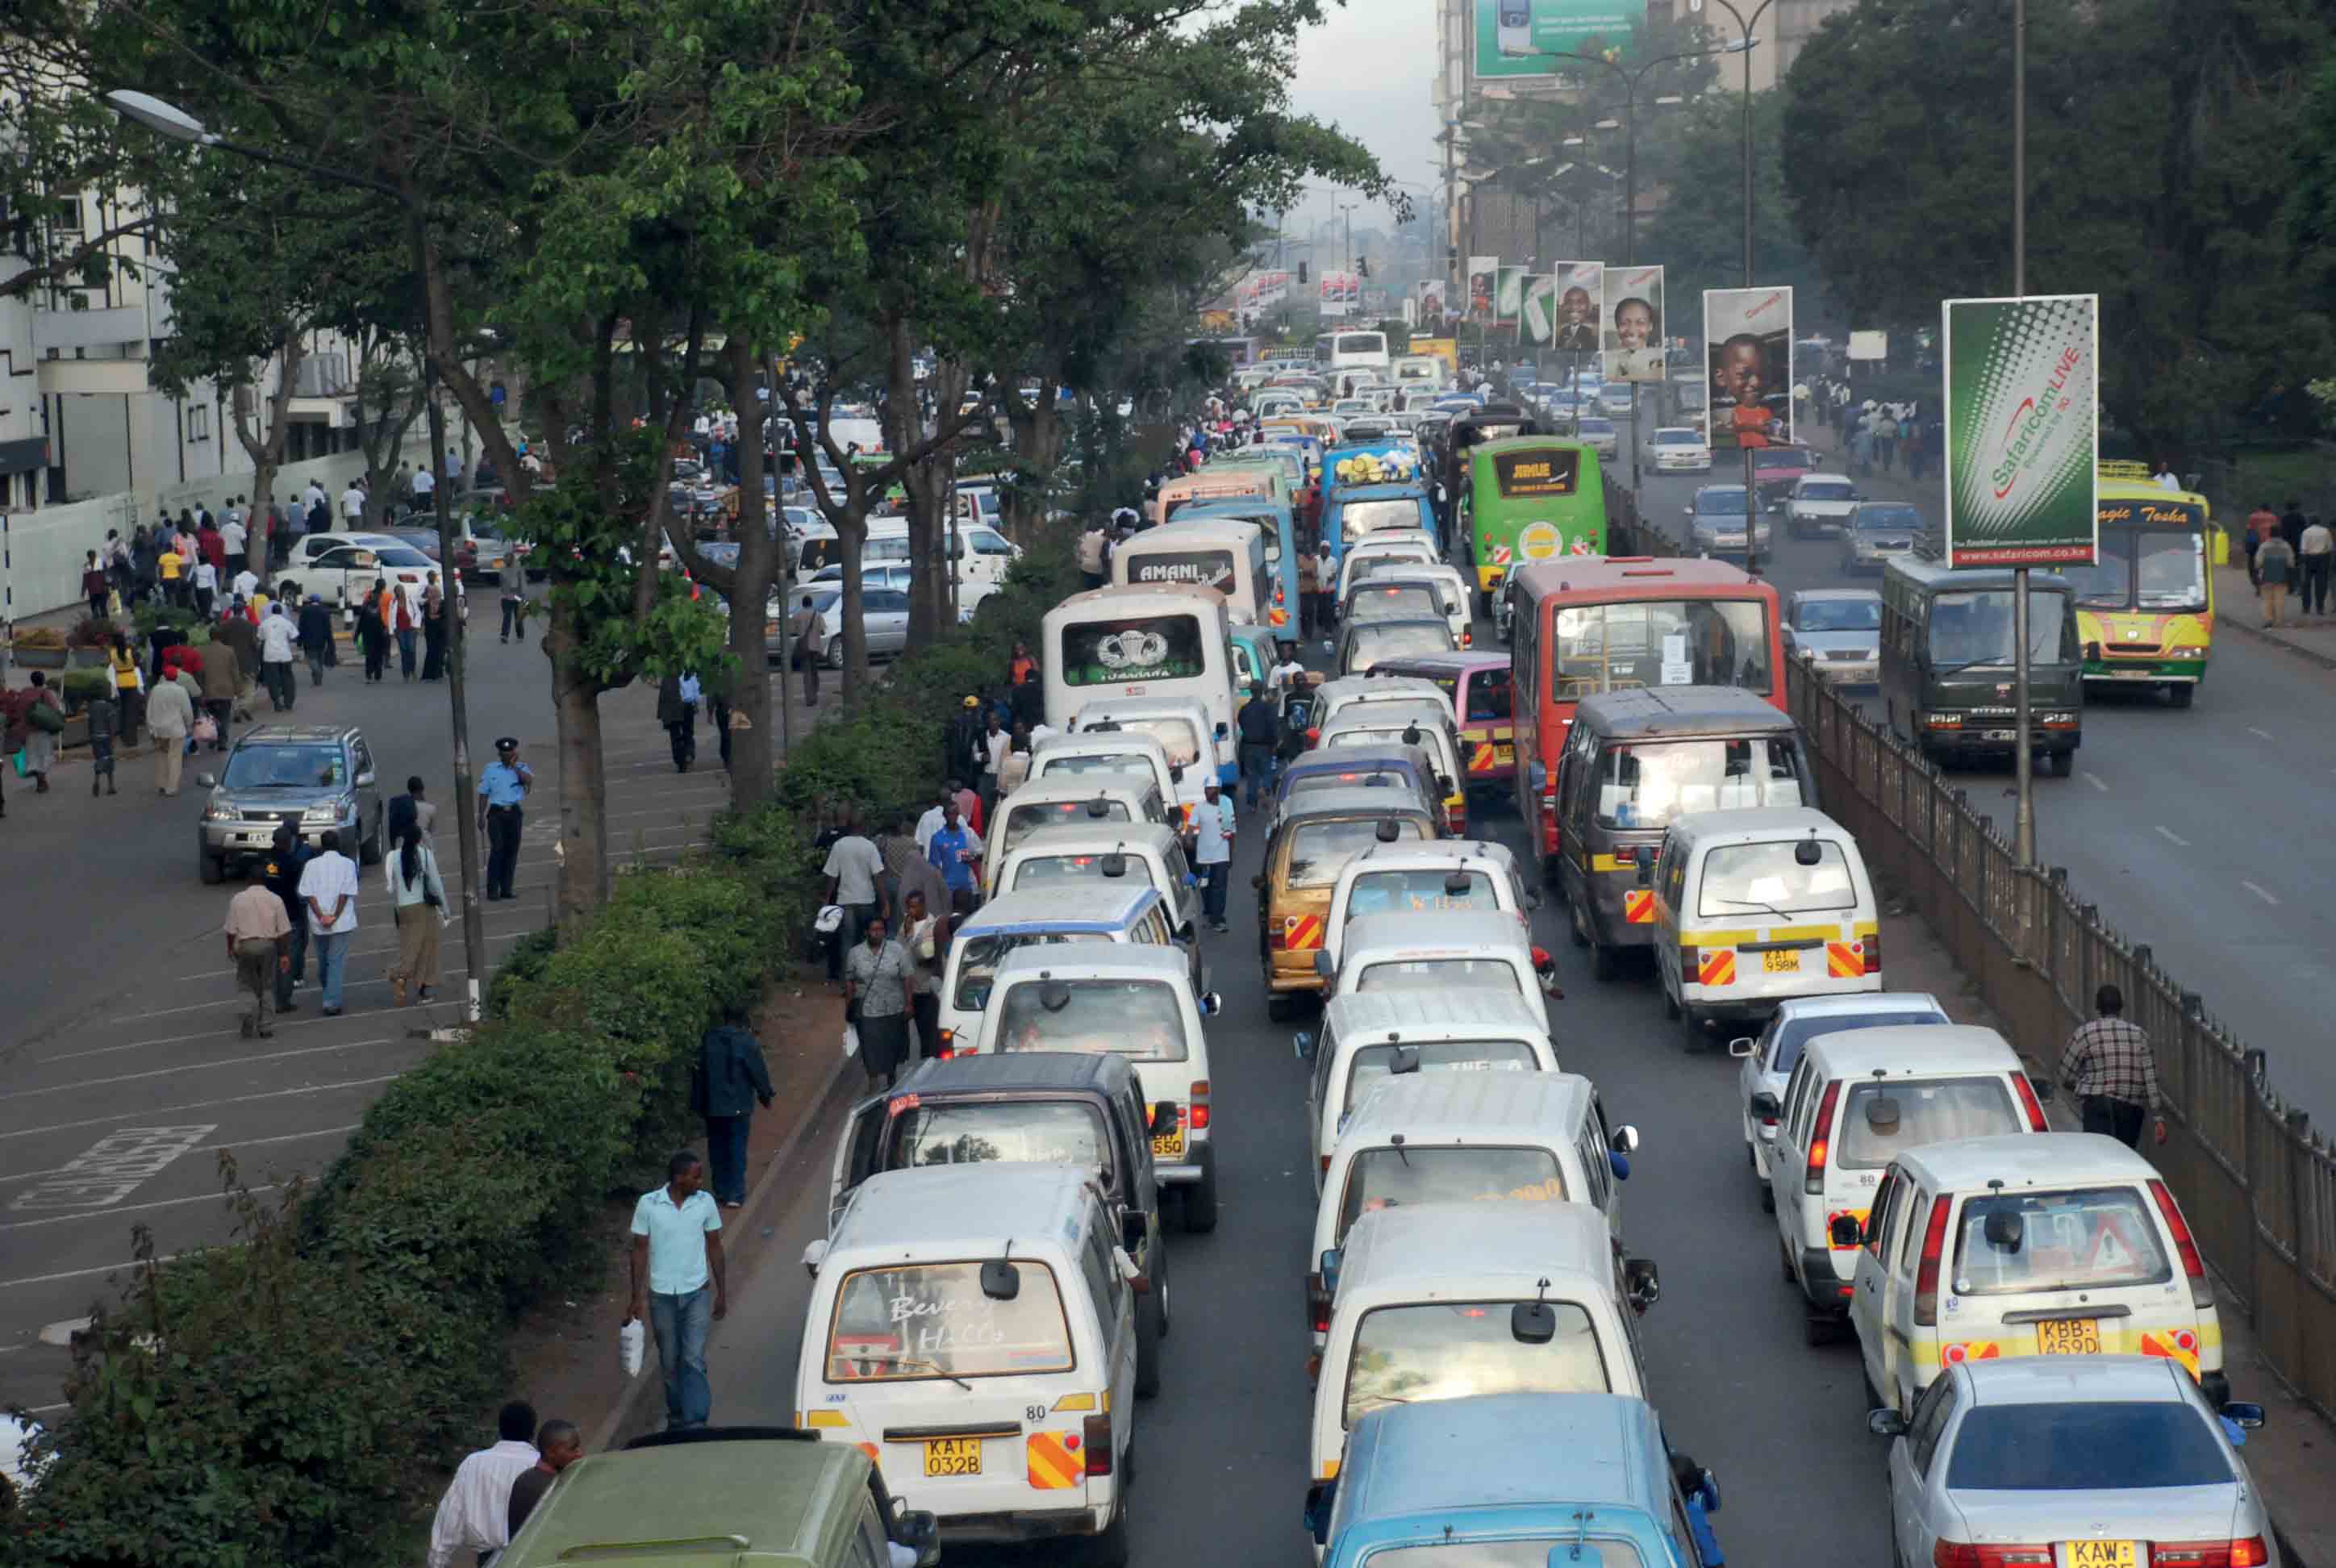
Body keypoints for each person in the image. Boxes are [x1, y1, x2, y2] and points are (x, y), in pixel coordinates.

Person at [628, 1149, 726, 1432]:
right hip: (662, 1297)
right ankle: (677, 1416)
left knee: (693, 1356)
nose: (700, 1181)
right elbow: (638, 1250)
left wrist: (722, 1292)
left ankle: (696, 1421)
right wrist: (635, 1298)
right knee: (670, 1361)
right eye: (695, 1176)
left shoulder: (705, 1202)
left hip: (697, 1292)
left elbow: (715, 1246)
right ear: (678, 1178)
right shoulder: (648, 1205)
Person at [424, 1400, 540, 1568]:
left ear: (500, 1429)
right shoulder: (541, 1466)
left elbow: (451, 1515)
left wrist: (437, 1561)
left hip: (490, 1562)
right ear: (532, 1431)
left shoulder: (474, 1463)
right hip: (536, 1558)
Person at [2059, 983, 2166, 1149]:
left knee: (2099, 1156)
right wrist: (2158, 1119)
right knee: (2124, 1157)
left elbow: (2065, 1074)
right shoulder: (2140, 1036)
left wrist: (2081, 1085)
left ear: (2098, 1007)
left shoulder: (2086, 1033)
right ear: (2121, 1007)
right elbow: (2151, 1080)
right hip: (2130, 1111)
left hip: (2097, 1107)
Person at [691, 1007, 774, 1208]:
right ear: (743, 1021)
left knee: (717, 1146)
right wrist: (766, 1095)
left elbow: (698, 1074)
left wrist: (698, 1103)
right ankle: (735, 1194)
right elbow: (757, 1071)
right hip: (739, 1104)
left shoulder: (708, 1039)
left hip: (713, 1105)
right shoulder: (746, 1042)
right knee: (737, 1147)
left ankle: (720, 1190)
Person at [844, 912, 914, 1090]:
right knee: (870, 1047)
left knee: (891, 1045)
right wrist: (849, 1007)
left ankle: (891, 1079)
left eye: (881, 929)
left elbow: (907, 977)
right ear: (866, 932)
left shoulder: (896, 950)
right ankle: (873, 1083)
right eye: (874, 930)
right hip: (868, 1009)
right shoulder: (855, 953)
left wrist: (909, 1003)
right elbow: (850, 981)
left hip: (893, 1007)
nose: (878, 933)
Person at [223, 860, 292, 1038]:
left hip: (246, 946)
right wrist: (284, 954)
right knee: (267, 985)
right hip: (268, 945)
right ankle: (265, 1026)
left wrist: (231, 948)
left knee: (246, 983)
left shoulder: (238, 900)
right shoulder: (276, 899)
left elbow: (230, 930)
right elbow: (283, 931)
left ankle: (247, 1012)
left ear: (248, 880)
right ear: (265, 880)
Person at [298, 828, 361, 1015]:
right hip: (341, 922)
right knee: (335, 961)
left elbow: (308, 894)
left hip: (318, 924)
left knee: (324, 960)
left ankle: (329, 992)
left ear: (321, 846)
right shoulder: (348, 864)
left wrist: (321, 917)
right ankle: (331, 1001)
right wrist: (334, 916)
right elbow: (344, 894)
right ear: (338, 844)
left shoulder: (311, 865)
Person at [385, 819, 445, 1007]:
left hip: (403, 909)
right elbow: (436, 884)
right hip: (423, 908)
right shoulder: (425, 855)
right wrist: (445, 908)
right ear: (420, 839)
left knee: (409, 947)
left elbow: (390, 886)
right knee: (427, 949)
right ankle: (416, 986)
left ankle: (402, 978)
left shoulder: (392, 856)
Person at [824, 811, 888, 963]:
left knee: (847, 940)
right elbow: (878, 877)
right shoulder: (870, 847)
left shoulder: (839, 846)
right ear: (863, 827)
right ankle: (864, 974)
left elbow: (832, 876)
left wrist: (826, 899)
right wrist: (885, 902)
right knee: (866, 939)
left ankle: (848, 977)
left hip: (845, 901)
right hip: (866, 900)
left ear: (848, 826)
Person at [505, 1419, 583, 1540]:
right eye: (573, 1449)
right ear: (551, 1452)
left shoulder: (525, 1478)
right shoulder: (553, 1488)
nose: (580, 1454)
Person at [265, 823, 313, 1014]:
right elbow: (300, 890)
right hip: (289, 915)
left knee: (270, 959)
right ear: (288, 843)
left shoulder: (265, 860)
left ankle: (268, 997)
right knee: (287, 958)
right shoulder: (292, 865)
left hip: (267, 915)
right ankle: (282, 1000)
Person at [478, 737, 533, 900]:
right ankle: (492, 891)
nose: (507, 754)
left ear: (514, 752)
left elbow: (528, 780)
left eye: (510, 751)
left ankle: (506, 889)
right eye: (504, 752)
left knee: (511, 852)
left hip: (514, 814)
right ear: (499, 753)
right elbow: (483, 793)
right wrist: (480, 815)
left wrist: (515, 766)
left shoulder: (522, 768)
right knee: (497, 850)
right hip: (496, 814)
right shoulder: (490, 769)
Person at [899, 886, 948, 1058]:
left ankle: (929, 1064)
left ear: (923, 905)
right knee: (917, 1031)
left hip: (927, 987)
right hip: (910, 988)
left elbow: (927, 954)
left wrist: (911, 938)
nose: (911, 911)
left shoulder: (932, 926)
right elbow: (900, 949)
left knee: (929, 1032)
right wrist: (906, 932)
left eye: (914, 906)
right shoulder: (906, 924)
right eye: (909, 907)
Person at [1186, 777, 1235, 933]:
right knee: (1206, 888)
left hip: (1221, 856)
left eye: (1212, 789)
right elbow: (1190, 828)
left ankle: (1217, 919)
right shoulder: (1199, 808)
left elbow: (1232, 832)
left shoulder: (1227, 805)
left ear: (1219, 790)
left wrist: (1231, 855)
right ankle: (1209, 913)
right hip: (1203, 858)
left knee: (1219, 888)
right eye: (1207, 789)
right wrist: (1188, 841)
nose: (1208, 792)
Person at [144, 663, 194, 795]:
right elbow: (187, 711)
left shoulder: (156, 689)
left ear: (164, 676)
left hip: (159, 730)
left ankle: (162, 784)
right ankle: (171, 787)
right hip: (175, 729)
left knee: (161, 756)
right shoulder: (181, 690)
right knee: (175, 758)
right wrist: (189, 725)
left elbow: (150, 709)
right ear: (176, 677)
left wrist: (151, 727)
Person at [926, 798, 983, 907]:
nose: (952, 817)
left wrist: (971, 858)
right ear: (944, 815)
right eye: (949, 814)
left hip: (968, 888)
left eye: (955, 813)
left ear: (959, 815)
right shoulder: (937, 838)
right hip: (948, 891)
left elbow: (981, 854)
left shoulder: (967, 833)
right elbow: (934, 868)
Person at [1236, 682, 1279, 810]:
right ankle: (1265, 789)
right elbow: (1273, 727)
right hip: (1265, 746)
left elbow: (1241, 723)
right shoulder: (1268, 708)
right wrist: (1275, 742)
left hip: (1248, 746)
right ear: (1262, 692)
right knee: (1267, 771)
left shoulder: (1244, 709)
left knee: (1252, 775)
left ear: (1251, 691)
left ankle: (1253, 803)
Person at [16, 672, 60, 793]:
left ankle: (41, 781)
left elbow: (19, 709)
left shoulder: (25, 692)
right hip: (43, 730)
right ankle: (42, 781)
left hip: (29, 731)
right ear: (43, 680)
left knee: (34, 757)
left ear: (32, 681)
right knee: (43, 756)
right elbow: (55, 708)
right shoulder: (46, 693)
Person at [196, 635, 239, 753]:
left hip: (208, 690)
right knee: (224, 717)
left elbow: (199, 672)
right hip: (226, 690)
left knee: (211, 716)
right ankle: (222, 742)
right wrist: (237, 689)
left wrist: (200, 688)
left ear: (209, 637)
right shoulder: (229, 650)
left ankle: (212, 738)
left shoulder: (201, 651)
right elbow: (235, 672)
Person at [257, 601, 299, 711]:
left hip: (270, 655)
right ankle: (289, 702)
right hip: (284, 654)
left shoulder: (265, 623)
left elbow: (260, 637)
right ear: (281, 612)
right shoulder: (287, 623)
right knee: (288, 678)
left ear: (272, 612)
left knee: (273, 680)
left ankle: (277, 703)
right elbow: (294, 636)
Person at [786, 593, 824, 706]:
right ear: (811, 603)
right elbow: (823, 630)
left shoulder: (798, 614)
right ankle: (815, 693)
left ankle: (809, 698)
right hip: (815, 647)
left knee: (806, 672)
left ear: (803, 604)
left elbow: (791, 629)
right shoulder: (818, 615)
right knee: (814, 671)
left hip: (804, 647)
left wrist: (799, 631)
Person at [657, 673, 699, 774]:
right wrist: (696, 703)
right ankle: (688, 754)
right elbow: (695, 688)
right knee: (688, 733)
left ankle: (680, 762)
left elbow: (663, 696)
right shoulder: (688, 671)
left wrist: (661, 714)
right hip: (687, 706)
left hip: (672, 709)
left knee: (675, 736)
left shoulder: (666, 676)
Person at [2255, 529, 2296, 628]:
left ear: (2270, 534)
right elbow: (2291, 563)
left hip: (2267, 577)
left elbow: (2258, 562)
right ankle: (2279, 620)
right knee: (2280, 599)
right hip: (2282, 577)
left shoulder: (2264, 546)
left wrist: (2258, 569)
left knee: (2267, 599)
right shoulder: (2286, 546)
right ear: (2280, 535)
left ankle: (2269, 619)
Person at [84, 684, 118, 798]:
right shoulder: (109, 707)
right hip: (106, 737)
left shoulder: (91, 707)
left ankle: (97, 779)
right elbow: (112, 725)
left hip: (95, 737)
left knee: (99, 758)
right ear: (106, 695)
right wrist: (113, 738)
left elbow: (89, 723)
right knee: (109, 759)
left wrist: (90, 737)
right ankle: (111, 786)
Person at [976, 711, 1008, 824]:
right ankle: (987, 828)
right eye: (990, 720)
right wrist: (981, 757)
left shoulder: (1006, 737)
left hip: (1000, 776)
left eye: (995, 720)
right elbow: (974, 754)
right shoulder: (982, 737)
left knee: (1000, 805)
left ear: (999, 721)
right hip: (986, 775)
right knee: (985, 805)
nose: (992, 722)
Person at [387, 774, 436, 847]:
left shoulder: (400, 806)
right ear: (422, 789)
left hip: (404, 847)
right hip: (424, 848)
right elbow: (431, 832)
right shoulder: (431, 809)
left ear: (409, 789)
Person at [295, 594, 334, 687]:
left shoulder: (305, 610)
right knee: (319, 660)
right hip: (322, 640)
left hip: (309, 640)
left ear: (310, 601)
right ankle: (317, 681)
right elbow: (328, 628)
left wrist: (299, 641)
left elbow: (301, 627)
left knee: (312, 660)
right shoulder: (325, 611)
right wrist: (330, 642)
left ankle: (318, 674)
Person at [358, 578, 391, 682]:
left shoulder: (370, 595)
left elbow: (363, 610)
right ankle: (377, 671)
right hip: (383, 627)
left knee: (371, 652)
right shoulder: (388, 596)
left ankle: (371, 671)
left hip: (372, 629)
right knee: (379, 651)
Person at [2301, 515, 2334, 617]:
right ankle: (2320, 607)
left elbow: (2303, 549)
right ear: (2319, 522)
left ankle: (2306, 608)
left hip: (2309, 558)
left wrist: (2303, 560)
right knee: (2321, 584)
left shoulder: (2306, 532)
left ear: (2310, 522)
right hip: (2322, 559)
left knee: (2306, 584)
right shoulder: (2326, 531)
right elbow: (2330, 547)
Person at [421, 571, 449, 682]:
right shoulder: (434, 604)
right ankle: (434, 673)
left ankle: (433, 673)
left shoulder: (431, 604)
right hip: (436, 628)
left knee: (434, 650)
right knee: (436, 650)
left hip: (435, 627)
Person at [2245, 500, 2280, 585]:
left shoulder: (2253, 517)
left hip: (2256, 544)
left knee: (2253, 563)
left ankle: (2256, 581)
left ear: (2260, 509)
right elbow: (2277, 530)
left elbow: (2249, 529)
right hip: (2270, 543)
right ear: (2269, 509)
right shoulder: (2273, 517)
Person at [393, 575, 420, 680]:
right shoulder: (394, 602)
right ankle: (406, 673)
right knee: (404, 651)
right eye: (398, 591)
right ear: (396, 592)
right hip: (400, 630)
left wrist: (417, 626)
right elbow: (392, 617)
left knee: (411, 650)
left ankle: (412, 670)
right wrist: (393, 630)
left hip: (411, 629)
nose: (400, 592)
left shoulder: (410, 600)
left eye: (401, 590)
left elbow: (417, 613)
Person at [498, 556, 526, 643]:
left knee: (516, 617)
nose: (506, 562)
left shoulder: (518, 570)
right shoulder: (503, 570)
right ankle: (505, 635)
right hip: (507, 597)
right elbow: (502, 584)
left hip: (515, 597)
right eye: (506, 560)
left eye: (508, 560)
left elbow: (522, 585)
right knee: (508, 616)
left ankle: (519, 635)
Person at [1078, 519, 1109, 590]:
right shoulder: (1103, 540)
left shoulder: (1081, 538)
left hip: (1083, 567)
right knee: (1096, 590)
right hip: (1097, 569)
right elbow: (1104, 557)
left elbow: (1078, 553)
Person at [81, 551, 111, 623]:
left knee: (102, 607)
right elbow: (85, 579)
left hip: (102, 590)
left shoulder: (101, 563)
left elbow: (107, 575)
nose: (93, 557)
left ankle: (106, 623)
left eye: (94, 556)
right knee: (94, 609)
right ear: (88, 557)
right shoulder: (87, 566)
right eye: (91, 556)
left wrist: (108, 585)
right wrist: (83, 591)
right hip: (93, 592)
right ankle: (97, 624)